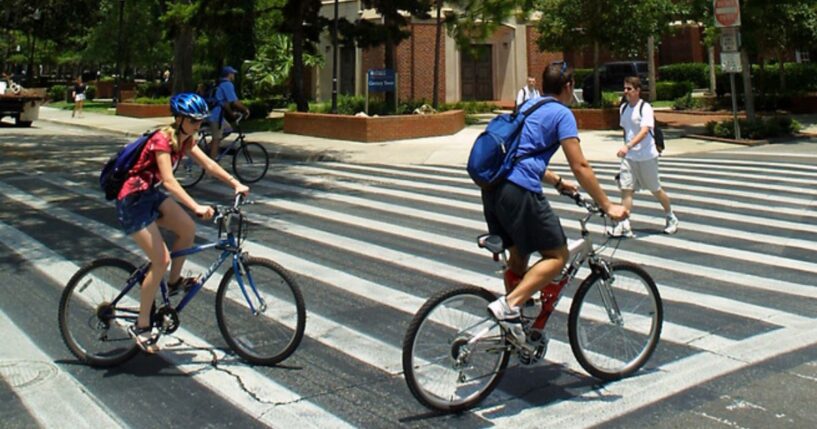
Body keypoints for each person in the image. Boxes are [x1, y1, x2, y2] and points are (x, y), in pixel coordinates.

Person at [484, 61, 628, 346]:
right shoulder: (562, 113)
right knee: (557, 256)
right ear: (568, 87)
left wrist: (557, 182)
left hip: (494, 189)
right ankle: (509, 305)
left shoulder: (527, 106)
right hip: (520, 191)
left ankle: (518, 330)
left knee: (519, 257)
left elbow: (521, 154)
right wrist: (608, 205)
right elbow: (581, 165)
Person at [117, 92, 250, 352]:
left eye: (200, 122)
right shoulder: (161, 140)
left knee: (187, 228)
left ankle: (175, 281)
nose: (197, 126)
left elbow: (209, 164)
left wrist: (235, 183)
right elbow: (168, 180)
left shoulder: (186, 139)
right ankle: (142, 325)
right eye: (192, 121)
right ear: (178, 119)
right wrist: (196, 206)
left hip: (149, 195)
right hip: (132, 200)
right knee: (161, 260)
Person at [609, 76, 679, 238]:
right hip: (629, 158)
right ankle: (624, 224)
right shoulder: (624, 108)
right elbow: (626, 131)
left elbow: (645, 130)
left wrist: (628, 146)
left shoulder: (645, 108)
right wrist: (626, 148)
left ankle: (671, 217)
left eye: (629, 89)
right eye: (625, 89)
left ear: (638, 90)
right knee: (626, 190)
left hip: (646, 155)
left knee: (655, 189)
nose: (626, 92)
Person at [208, 66, 250, 159]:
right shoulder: (227, 84)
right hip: (216, 117)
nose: (234, 75)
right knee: (216, 139)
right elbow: (234, 101)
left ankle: (209, 147)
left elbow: (225, 104)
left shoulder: (220, 84)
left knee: (228, 129)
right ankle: (211, 165)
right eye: (233, 73)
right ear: (229, 75)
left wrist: (232, 114)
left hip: (215, 115)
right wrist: (245, 109)